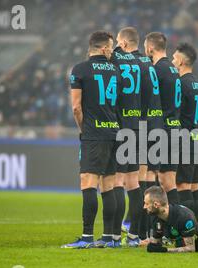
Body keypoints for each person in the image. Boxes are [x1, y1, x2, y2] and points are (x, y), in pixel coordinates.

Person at [62, 31, 120, 248]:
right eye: (111, 47)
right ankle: (108, 238)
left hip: (94, 134)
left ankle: (86, 238)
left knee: (88, 182)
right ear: (104, 48)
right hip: (114, 133)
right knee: (108, 185)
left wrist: (83, 129)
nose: (112, 51)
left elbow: (76, 107)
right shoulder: (116, 71)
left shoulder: (80, 70)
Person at [108, 27, 144, 247]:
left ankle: (113, 234)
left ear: (123, 43)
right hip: (137, 125)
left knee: (119, 181)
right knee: (134, 182)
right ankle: (134, 236)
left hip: (121, 126)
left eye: (118, 42)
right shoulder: (140, 63)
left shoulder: (116, 57)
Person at [131, 31, 165, 243]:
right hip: (159, 125)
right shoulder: (165, 67)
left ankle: (140, 232)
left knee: (140, 179)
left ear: (150, 48)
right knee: (153, 178)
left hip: (146, 125)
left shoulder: (150, 67)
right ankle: (152, 232)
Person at [144, 32, 181, 206]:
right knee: (168, 181)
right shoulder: (174, 70)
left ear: (150, 48)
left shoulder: (156, 70)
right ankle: (174, 226)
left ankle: (148, 226)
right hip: (175, 127)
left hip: (162, 127)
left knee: (150, 175)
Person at [171, 43, 198, 226]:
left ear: (182, 61)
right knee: (194, 187)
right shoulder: (196, 83)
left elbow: (178, 112)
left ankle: (189, 228)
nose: (172, 61)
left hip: (186, 138)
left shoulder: (181, 83)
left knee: (183, 186)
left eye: (174, 58)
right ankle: (197, 227)